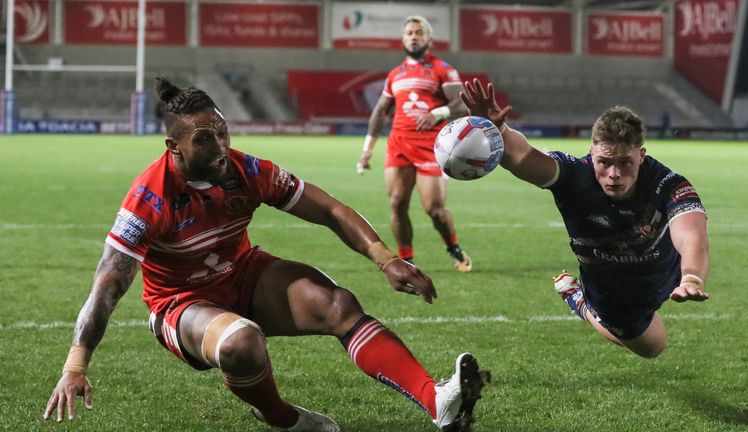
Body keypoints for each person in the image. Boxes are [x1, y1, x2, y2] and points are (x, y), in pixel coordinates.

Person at [42, 77, 488, 431]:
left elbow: (329, 209)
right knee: (243, 342)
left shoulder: (246, 170)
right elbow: (108, 284)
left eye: (222, 133)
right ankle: (282, 417)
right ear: (174, 147)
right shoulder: (149, 197)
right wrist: (75, 365)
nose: (220, 147)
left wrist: (385, 258)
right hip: (180, 304)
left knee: (339, 304)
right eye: (204, 139)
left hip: (243, 274)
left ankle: (437, 402)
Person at [461, 78, 710, 359]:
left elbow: (692, 235)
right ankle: (578, 300)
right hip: (610, 289)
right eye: (605, 162)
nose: (614, 174)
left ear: (641, 155)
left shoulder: (667, 183)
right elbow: (524, 157)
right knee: (653, 348)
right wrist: (498, 131)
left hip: (667, 272)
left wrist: (692, 277)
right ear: (592, 154)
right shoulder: (574, 176)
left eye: (625, 162)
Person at [355, 15, 472, 272]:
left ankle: (452, 246)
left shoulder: (442, 68)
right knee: (397, 202)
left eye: (419, 33)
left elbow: (462, 103)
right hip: (399, 145)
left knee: (434, 210)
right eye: (409, 33)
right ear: (403, 39)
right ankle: (406, 259)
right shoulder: (395, 74)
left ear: (429, 39)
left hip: (432, 146)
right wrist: (366, 151)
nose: (414, 37)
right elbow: (380, 112)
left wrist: (437, 113)